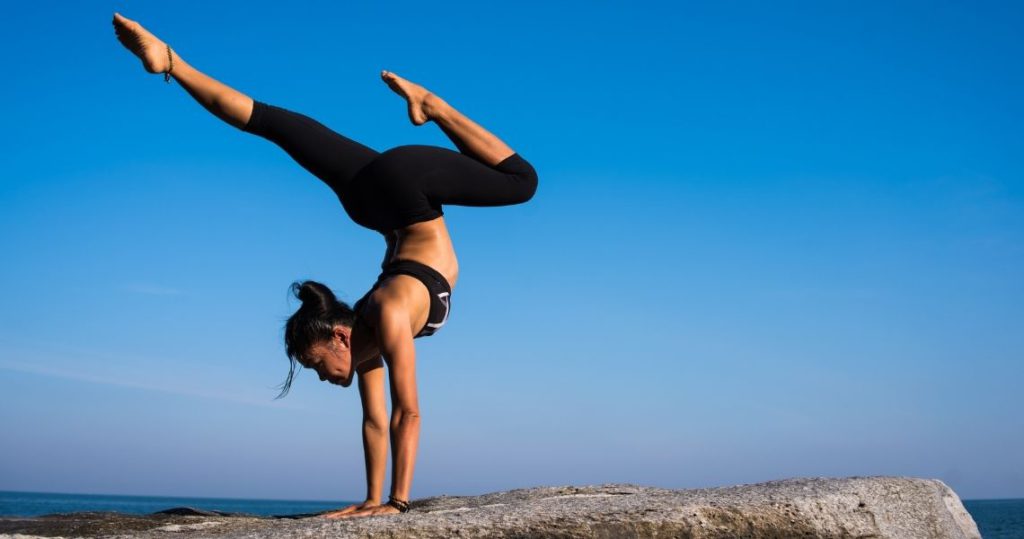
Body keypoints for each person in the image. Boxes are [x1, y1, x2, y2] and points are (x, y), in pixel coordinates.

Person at [111, 13, 538, 519]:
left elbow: (409, 411)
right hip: (373, 201)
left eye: (315, 364)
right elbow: (375, 423)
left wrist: (398, 505)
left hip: (407, 189)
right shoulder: (367, 336)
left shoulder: (385, 314)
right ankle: (171, 62)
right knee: (272, 124)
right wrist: (370, 501)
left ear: (339, 336)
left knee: (521, 181)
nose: (321, 377)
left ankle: (432, 105)